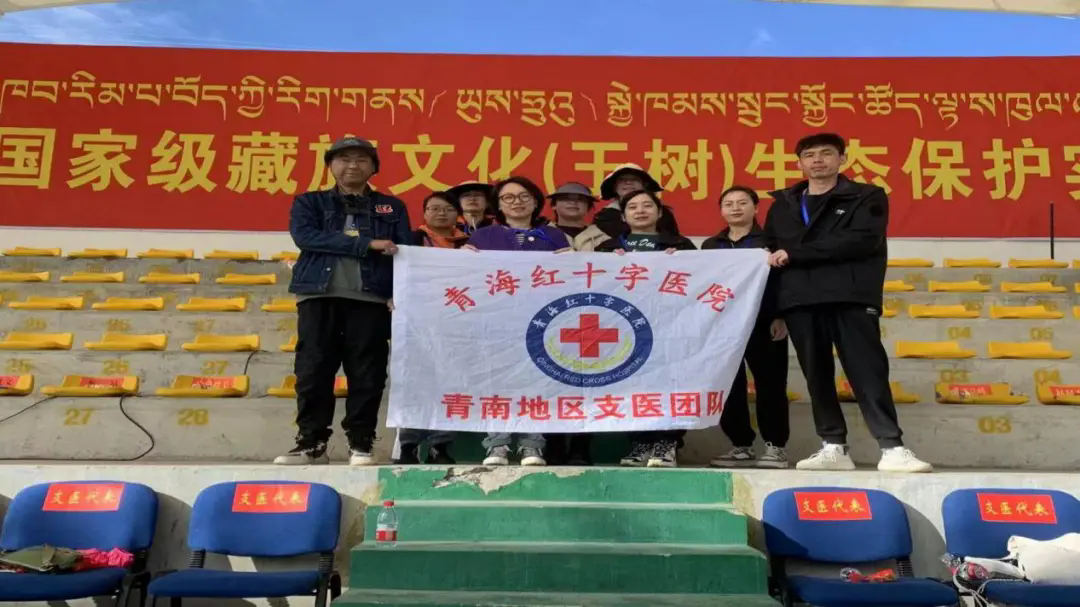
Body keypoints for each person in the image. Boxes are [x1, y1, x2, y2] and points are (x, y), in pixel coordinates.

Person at [764, 132, 931, 473]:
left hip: (850, 296)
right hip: (800, 300)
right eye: (810, 155)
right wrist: (776, 310)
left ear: (842, 159)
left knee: (867, 371)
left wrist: (795, 253)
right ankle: (833, 446)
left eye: (826, 153)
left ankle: (892, 447)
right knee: (816, 376)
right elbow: (770, 254)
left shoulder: (866, 195)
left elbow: (862, 241)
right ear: (799, 163)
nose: (818, 160)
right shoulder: (783, 204)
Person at [276, 136, 411, 466]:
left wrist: (400, 293)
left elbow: (405, 251)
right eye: (344, 159)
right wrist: (367, 244)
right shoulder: (310, 202)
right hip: (318, 295)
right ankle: (311, 442)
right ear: (330, 165)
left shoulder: (391, 207)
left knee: (367, 373)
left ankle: (361, 442)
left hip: (371, 299)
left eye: (362, 160)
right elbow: (306, 237)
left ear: (374, 168)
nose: (353, 165)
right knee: (312, 371)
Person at [466, 176, 571, 467]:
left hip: (541, 321)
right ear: (498, 205)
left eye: (524, 196)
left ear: (536, 202)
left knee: (536, 380)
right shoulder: (483, 237)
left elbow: (570, 276)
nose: (517, 202)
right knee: (496, 379)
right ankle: (496, 445)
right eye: (508, 197)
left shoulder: (554, 236)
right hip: (495, 320)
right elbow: (465, 276)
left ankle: (532, 445)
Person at [594, 189, 696, 468]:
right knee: (631, 381)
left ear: (659, 212)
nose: (640, 211)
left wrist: (682, 263)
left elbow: (698, 282)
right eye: (633, 207)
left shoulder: (680, 245)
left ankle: (668, 442)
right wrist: (608, 265)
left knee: (671, 382)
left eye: (647, 206)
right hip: (626, 327)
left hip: (669, 326)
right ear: (623, 216)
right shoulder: (607, 248)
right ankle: (639, 441)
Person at [702, 186, 790, 469]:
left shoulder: (772, 242)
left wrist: (781, 316)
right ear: (721, 211)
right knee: (728, 384)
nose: (736, 208)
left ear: (756, 208)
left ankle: (776, 446)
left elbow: (783, 282)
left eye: (742, 203)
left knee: (771, 385)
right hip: (723, 325)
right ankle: (740, 445)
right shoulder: (710, 246)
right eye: (728, 204)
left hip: (765, 323)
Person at [394, 191, 466, 465]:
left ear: (457, 214)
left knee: (450, 381)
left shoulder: (468, 244)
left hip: (457, 319)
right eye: (434, 208)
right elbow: (393, 272)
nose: (441, 213)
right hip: (415, 319)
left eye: (448, 209)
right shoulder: (409, 240)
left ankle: (440, 445)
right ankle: (408, 445)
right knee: (413, 380)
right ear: (424, 213)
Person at [592, 164, 680, 239]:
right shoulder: (603, 217)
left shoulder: (663, 213)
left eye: (635, 179)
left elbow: (674, 240)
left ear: (644, 185)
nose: (628, 182)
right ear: (614, 187)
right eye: (621, 179)